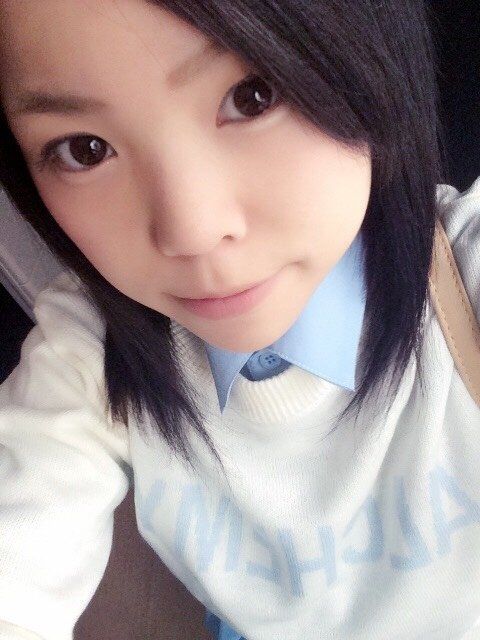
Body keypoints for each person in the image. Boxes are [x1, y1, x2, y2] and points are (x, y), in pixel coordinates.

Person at [0, 1, 479, 638]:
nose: (191, 230)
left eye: (253, 96)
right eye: (85, 150)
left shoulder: (464, 274)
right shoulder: (92, 350)